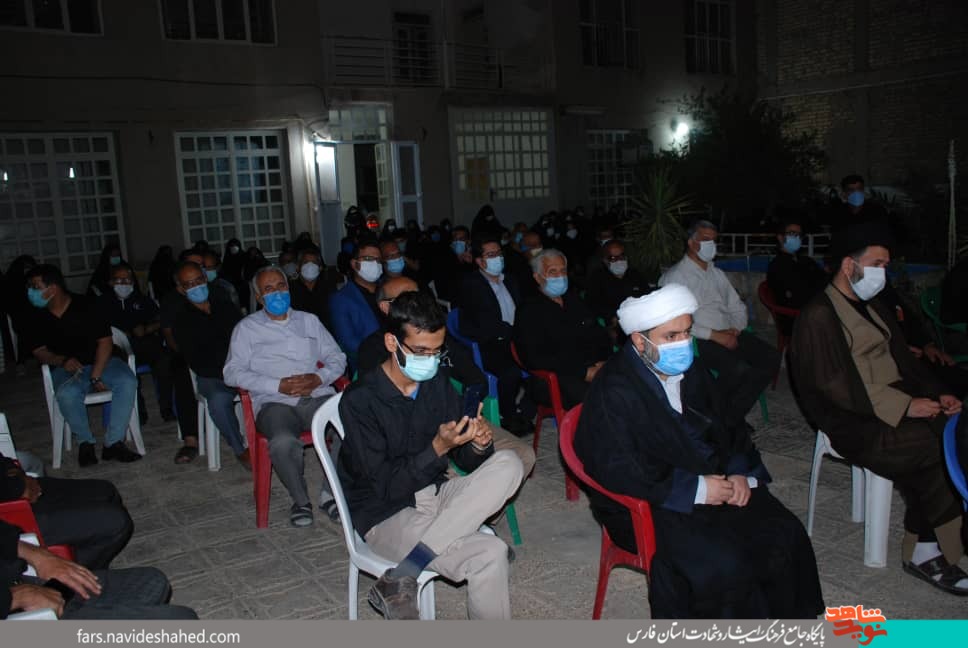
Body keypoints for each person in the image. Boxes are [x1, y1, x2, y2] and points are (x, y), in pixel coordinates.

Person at [574, 284, 824, 618]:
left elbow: (727, 423)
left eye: (687, 332)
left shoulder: (689, 367)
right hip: (654, 499)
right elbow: (616, 467)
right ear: (639, 341)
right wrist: (697, 489)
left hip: (710, 473)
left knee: (784, 534)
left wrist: (740, 471)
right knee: (723, 565)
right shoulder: (613, 390)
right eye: (671, 336)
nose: (683, 343)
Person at [789, 222, 968, 595]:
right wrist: (905, 406)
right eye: (877, 264)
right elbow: (833, 386)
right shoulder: (819, 316)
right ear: (849, 265)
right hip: (852, 419)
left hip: (888, 401)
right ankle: (925, 550)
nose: (882, 273)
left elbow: (906, 363)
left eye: (885, 265)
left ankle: (940, 539)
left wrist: (938, 394)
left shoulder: (873, 307)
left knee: (956, 430)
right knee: (935, 447)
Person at [338, 291, 524, 619]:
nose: (431, 360)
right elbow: (386, 488)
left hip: (436, 494)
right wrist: (438, 447)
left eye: (437, 351)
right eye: (421, 351)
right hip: (386, 514)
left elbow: (464, 462)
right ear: (392, 343)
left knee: (510, 463)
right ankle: (416, 563)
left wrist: (476, 443)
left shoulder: (436, 382)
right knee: (491, 551)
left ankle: (404, 572)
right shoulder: (360, 401)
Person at [356, 276, 535, 475]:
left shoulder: (439, 341)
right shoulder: (373, 352)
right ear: (386, 308)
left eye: (418, 296)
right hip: (414, 446)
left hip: (454, 421)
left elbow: (475, 378)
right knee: (448, 480)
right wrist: (439, 444)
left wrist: (469, 416)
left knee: (522, 456)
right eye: (406, 299)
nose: (417, 304)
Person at [224, 266, 347, 527]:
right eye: (269, 289)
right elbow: (231, 372)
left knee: (350, 425)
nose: (277, 293)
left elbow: (337, 357)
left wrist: (319, 378)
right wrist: (276, 385)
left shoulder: (309, 321)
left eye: (281, 286)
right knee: (282, 442)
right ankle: (300, 501)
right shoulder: (246, 329)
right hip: (274, 403)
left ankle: (330, 493)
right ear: (259, 298)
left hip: (316, 396)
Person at [659, 220, 780, 430]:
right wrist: (715, 335)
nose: (711, 245)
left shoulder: (717, 274)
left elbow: (736, 306)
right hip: (698, 339)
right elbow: (675, 322)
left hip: (730, 333)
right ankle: (719, 418)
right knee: (738, 369)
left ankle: (728, 417)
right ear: (691, 243)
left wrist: (736, 328)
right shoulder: (676, 277)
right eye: (705, 239)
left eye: (714, 240)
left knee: (771, 358)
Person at [26, 264, 141, 466]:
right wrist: (61, 360)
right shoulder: (36, 316)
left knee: (127, 382)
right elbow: (39, 351)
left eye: (36, 287)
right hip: (67, 368)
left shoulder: (87, 305)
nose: (31, 292)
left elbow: (105, 342)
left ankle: (113, 443)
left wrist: (95, 376)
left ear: (53, 288)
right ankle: (85, 442)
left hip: (103, 361)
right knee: (67, 394)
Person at [1, 520, 197, 620]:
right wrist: (15, 598)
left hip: (18, 583)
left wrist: (38, 555)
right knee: (180, 623)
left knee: (151, 580)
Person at [513, 250, 612, 410]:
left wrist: (603, 361)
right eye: (552, 272)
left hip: (591, 365)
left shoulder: (574, 300)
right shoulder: (529, 310)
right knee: (600, 399)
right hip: (556, 376)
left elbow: (598, 334)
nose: (560, 276)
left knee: (629, 385)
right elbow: (534, 358)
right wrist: (583, 372)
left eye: (563, 271)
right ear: (538, 277)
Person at [171, 261, 248, 466]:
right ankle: (240, 449)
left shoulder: (224, 305)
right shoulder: (181, 320)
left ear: (205, 279)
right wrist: (229, 373)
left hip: (241, 368)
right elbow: (197, 362)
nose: (196, 286)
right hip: (213, 376)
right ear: (181, 289)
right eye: (189, 284)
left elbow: (245, 335)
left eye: (199, 280)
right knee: (218, 401)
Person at [0, 452, 133, 569]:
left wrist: (16, 473)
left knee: (106, 491)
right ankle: (75, 576)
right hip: (9, 519)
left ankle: (86, 549)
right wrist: (17, 488)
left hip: (10, 482)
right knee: (116, 521)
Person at [457, 237, 531, 435]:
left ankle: (527, 409)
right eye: (491, 255)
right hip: (490, 341)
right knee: (510, 372)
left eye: (499, 253)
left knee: (544, 358)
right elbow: (484, 322)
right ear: (479, 261)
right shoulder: (472, 284)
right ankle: (508, 416)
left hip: (516, 336)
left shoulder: (510, 280)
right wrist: (512, 333)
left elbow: (523, 309)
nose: (497, 258)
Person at [97, 262, 173, 422]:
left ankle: (167, 407)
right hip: (117, 348)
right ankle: (139, 409)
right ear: (111, 282)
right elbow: (97, 329)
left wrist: (147, 328)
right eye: (119, 280)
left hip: (145, 344)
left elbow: (161, 319)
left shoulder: (142, 300)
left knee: (165, 360)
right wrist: (120, 333)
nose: (124, 284)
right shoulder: (102, 303)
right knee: (125, 367)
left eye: (128, 280)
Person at [765, 217, 828, 336]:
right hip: (797, 319)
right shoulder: (777, 266)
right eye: (792, 233)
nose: (797, 237)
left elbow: (823, 279)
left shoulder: (806, 261)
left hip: (816, 311)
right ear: (780, 237)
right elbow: (794, 297)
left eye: (799, 235)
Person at [328, 239, 383, 372]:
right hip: (368, 366)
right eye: (368, 259)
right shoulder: (341, 299)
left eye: (378, 260)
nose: (374, 263)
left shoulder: (388, 290)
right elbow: (349, 342)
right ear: (354, 264)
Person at [586, 239, 651, 335]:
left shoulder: (635, 274)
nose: (619, 261)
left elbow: (647, 295)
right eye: (613, 258)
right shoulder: (597, 278)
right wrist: (612, 317)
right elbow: (593, 304)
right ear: (605, 260)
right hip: (615, 324)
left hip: (640, 320)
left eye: (621, 256)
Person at [290, 247, 333, 329]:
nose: (310, 266)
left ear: (320, 267)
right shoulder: (290, 291)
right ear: (298, 267)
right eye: (305, 262)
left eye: (314, 262)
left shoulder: (329, 289)